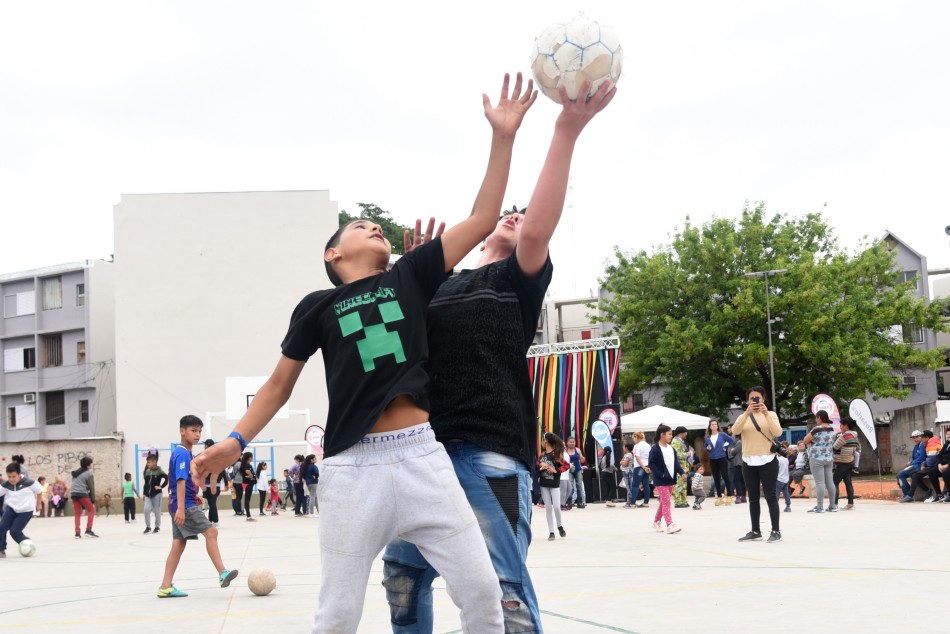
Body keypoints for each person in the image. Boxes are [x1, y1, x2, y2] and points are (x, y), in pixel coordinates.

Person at [193, 73, 541, 633]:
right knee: (338, 614)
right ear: (334, 253)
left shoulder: (410, 276)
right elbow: (280, 386)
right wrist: (234, 443)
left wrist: (503, 136)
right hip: (353, 469)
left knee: (481, 594)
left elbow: (480, 219)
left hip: (424, 458)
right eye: (359, 224)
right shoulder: (318, 305)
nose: (373, 225)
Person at [158, 415, 237, 598]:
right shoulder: (182, 453)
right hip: (183, 506)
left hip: (181, 502)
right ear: (182, 431)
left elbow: (184, 481)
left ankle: (165, 586)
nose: (197, 434)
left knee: (179, 543)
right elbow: (179, 481)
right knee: (211, 532)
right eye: (193, 430)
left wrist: (195, 496)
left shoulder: (186, 453)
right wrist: (181, 508)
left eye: (199, 431)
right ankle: (222, 573)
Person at [731, 387, 784, 543]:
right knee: (753, 497)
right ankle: (755, 531)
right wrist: (747, 413)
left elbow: (778, 432)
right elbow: (735, 430)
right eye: (751, 398)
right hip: (748, 460)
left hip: (768, 459)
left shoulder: (771, 414)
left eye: (757, 398)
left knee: (770, 496)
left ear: (763, 399)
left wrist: (766, 414)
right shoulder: (743, 416)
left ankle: (776, 531)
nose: (754, 400)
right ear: (748, 400)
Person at [0, 462, 43, 557]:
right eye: (9, 476)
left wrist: (38, 504)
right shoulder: (6, 484)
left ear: (19, 474)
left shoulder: (28, 482)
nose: (11, 479)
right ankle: (1, 550)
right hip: (11, 509)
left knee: (14, 531)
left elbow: (39, 490)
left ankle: (27, 543)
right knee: (1, 528)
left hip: (25, 511)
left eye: (14, 476)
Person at [648, 424, 685, 534]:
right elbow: (651, 464)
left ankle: (656, 522)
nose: (671, 436)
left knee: (664, 502)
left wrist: (681, 472)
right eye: (669, 434)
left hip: (671, 479)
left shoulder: (671, 449)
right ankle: (670, 524)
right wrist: (661, 475)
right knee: (667, 502)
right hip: (661, 480)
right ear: (662, 434)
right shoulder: (655, 449)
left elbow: (676, 463)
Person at [803, 411, 836, 513]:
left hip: (817, 457)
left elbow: (805, 440)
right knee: (830, 482)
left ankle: (820, 506)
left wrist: (811, 443)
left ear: (820, 418)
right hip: (829, 457)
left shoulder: (816, 429)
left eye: (816, 418)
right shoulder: (831, 428)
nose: (816, 420)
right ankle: (832, 506)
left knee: (819, 482)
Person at [538, 432, 568, 541]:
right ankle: (551, 532)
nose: (541, 442)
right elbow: (536, 465)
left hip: (554, 484)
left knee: (556, 507)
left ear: (545, 441)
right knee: (548, 508)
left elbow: (566, 465)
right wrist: (540, 466)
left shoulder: (556, 455)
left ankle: (559, 526)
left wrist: (556, 470)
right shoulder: (541, 455)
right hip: (543, 484)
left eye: (542, 440)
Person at [704, 419, 735, 505]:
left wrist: (725, 446)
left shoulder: (722, 434)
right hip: (713, 459)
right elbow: (705, 448)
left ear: (717, 426)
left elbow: (731, 440)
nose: (714, 426)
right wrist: (707, 449)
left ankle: (729, 496)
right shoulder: (707, 437)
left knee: (725, 477)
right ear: (710, 427)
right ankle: (719, 497)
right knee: (716, 478)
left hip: (722, 458)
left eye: (715, 424)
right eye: (712, 424)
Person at [832, 417, 860, 510]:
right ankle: (850, 503)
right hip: (850, 461)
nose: (840, 427)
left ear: (846, 426)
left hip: (842, 462)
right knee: (848, 482)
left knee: (834, 482)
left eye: (841, 425)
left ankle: (834, 504)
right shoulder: (855, 436)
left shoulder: (844, 436)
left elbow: (834, 447)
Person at [201, 439, 230, 527]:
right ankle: (211, 521)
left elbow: (223, 471)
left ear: (207, 446)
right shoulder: (216, 457)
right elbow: (224, 471)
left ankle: (216, 521)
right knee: (211, 503)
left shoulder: (207, 456)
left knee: (212, 503)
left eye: (205, 445)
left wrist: (226, 483)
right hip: (211, 485)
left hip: (211, 485)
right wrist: (226, 483)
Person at [70, 456, 98, 538]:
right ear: (88, 465)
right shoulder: (89, 474)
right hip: (82, 494)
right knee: (91, 510)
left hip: (74, 494)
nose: (92, 465)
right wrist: (93, 499)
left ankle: (77, 533)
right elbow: (91, 487)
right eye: (91, 463)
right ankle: (88, 531)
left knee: (77, 513)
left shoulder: (75, 473)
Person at [143, 452, 169, 534]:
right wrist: (144, 493)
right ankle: (148, 526)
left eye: (149, 462)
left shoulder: (159, 470)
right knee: (146, 509)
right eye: (147, 463)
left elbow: (167, 478)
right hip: (148, 494)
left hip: (157, 494)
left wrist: (161, 486)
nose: (148, 464)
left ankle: (157, 526)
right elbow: (146, 483)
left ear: (154, 462)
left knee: (157, 510)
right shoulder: (147, 471)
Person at [896, 430, 925, 500]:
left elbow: (922, 458)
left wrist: (911, 463)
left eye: (917, 437)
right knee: (899, 475)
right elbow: (914, 458)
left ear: (921, 437)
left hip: (918, 466)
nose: (915, 439)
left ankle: (907, 494)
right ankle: (907, 493)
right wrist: (910, 462)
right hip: (914, 465)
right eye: (913, 437)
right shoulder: (916, 447)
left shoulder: (922, 445)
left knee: (900, 475)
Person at [631, 431, 652, 508]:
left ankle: (632, 503)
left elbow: (637, 457)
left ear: (637, 437)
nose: (633, 439)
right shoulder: (648, 445)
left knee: (635, 485)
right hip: (647, 466)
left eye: (634, 437)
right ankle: (646, 502)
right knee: (646, 485)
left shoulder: (637, 446)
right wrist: (648, 467)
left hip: (639, 467)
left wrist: (643, 467)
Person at [671, 426, 691, 509]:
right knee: (679, 484)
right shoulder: (675, 442)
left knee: (683, 485)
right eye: (685, 433)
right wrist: (687, 454)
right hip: (679, 466)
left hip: (683, 466)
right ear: (682, 433)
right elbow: (676, 455)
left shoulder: (680, 441)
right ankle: (678, 502)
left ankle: (683, 501)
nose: (686, 434)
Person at [566, 437, 587, 508]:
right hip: (569, 470)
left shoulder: (577, 450)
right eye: (570, 442)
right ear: (567, 443)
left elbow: (582, 460)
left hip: (578, 470)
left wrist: (582, 459)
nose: (572, 443)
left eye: (573, 442)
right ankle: (569, 502)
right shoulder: (565, 451)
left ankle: (580, 502)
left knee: (579, 485)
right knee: (570, 487)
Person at [728, 437, 746, 504]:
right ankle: (743, 497)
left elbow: (733, 452)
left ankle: (738, 496)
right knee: (742, 480)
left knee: (736, 480)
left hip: (738, 463)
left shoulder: (739, 442)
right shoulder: (744, 441)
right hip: (743, 463)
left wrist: (732, 450)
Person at [239, 452, 257, 521]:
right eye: (252, 457)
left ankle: (248, 515)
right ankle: (248, 516)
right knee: (247, 500)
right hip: (248, 483)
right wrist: (251, 476)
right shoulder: (246, 464)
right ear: (249, 458)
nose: (253, 458)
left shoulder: (245, 464)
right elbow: (247, 471)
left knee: (247, 499)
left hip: (247, 483)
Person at [621, 441, 637, 508]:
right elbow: (622, 461)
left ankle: (630, 502)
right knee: (628, 487)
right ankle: (629, 502)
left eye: (624, 446)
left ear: (626, 448)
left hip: (627, 472)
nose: (623, 448)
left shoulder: (629, 455)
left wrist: (622, 462)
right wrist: (622, 462)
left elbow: (624, 464)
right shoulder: (627, 454)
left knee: (629, 488)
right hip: (626, 472)